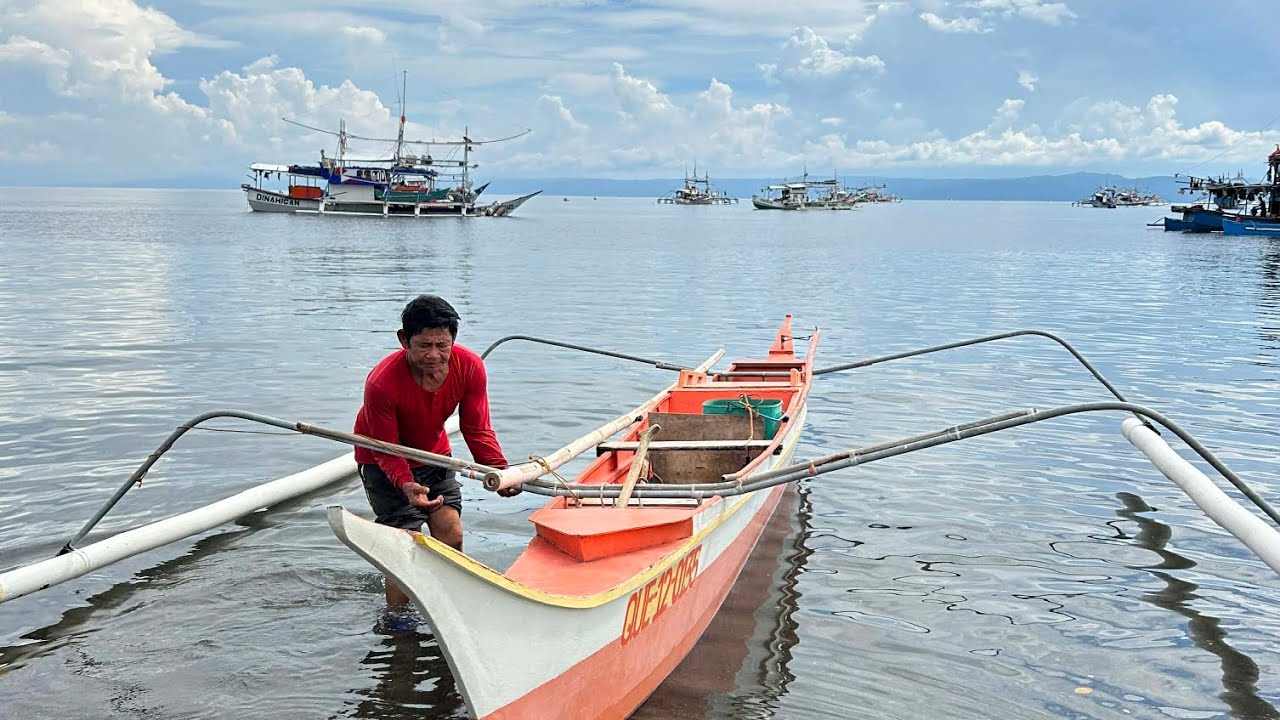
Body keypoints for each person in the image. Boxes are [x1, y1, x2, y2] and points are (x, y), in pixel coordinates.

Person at [353, 294, 519, 609]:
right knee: (406, 544)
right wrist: (404, 483)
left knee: (451, 533)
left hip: (433, 455)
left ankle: (446, 605)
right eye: (424, 346)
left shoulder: (470, 367)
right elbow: (386, 449)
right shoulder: (381, 383)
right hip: (381, 460)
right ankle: (398, 620)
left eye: (442, 346)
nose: (434, 356)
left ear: (453, 341)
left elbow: (477, 428)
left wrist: (499, 471)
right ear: (404, 340)